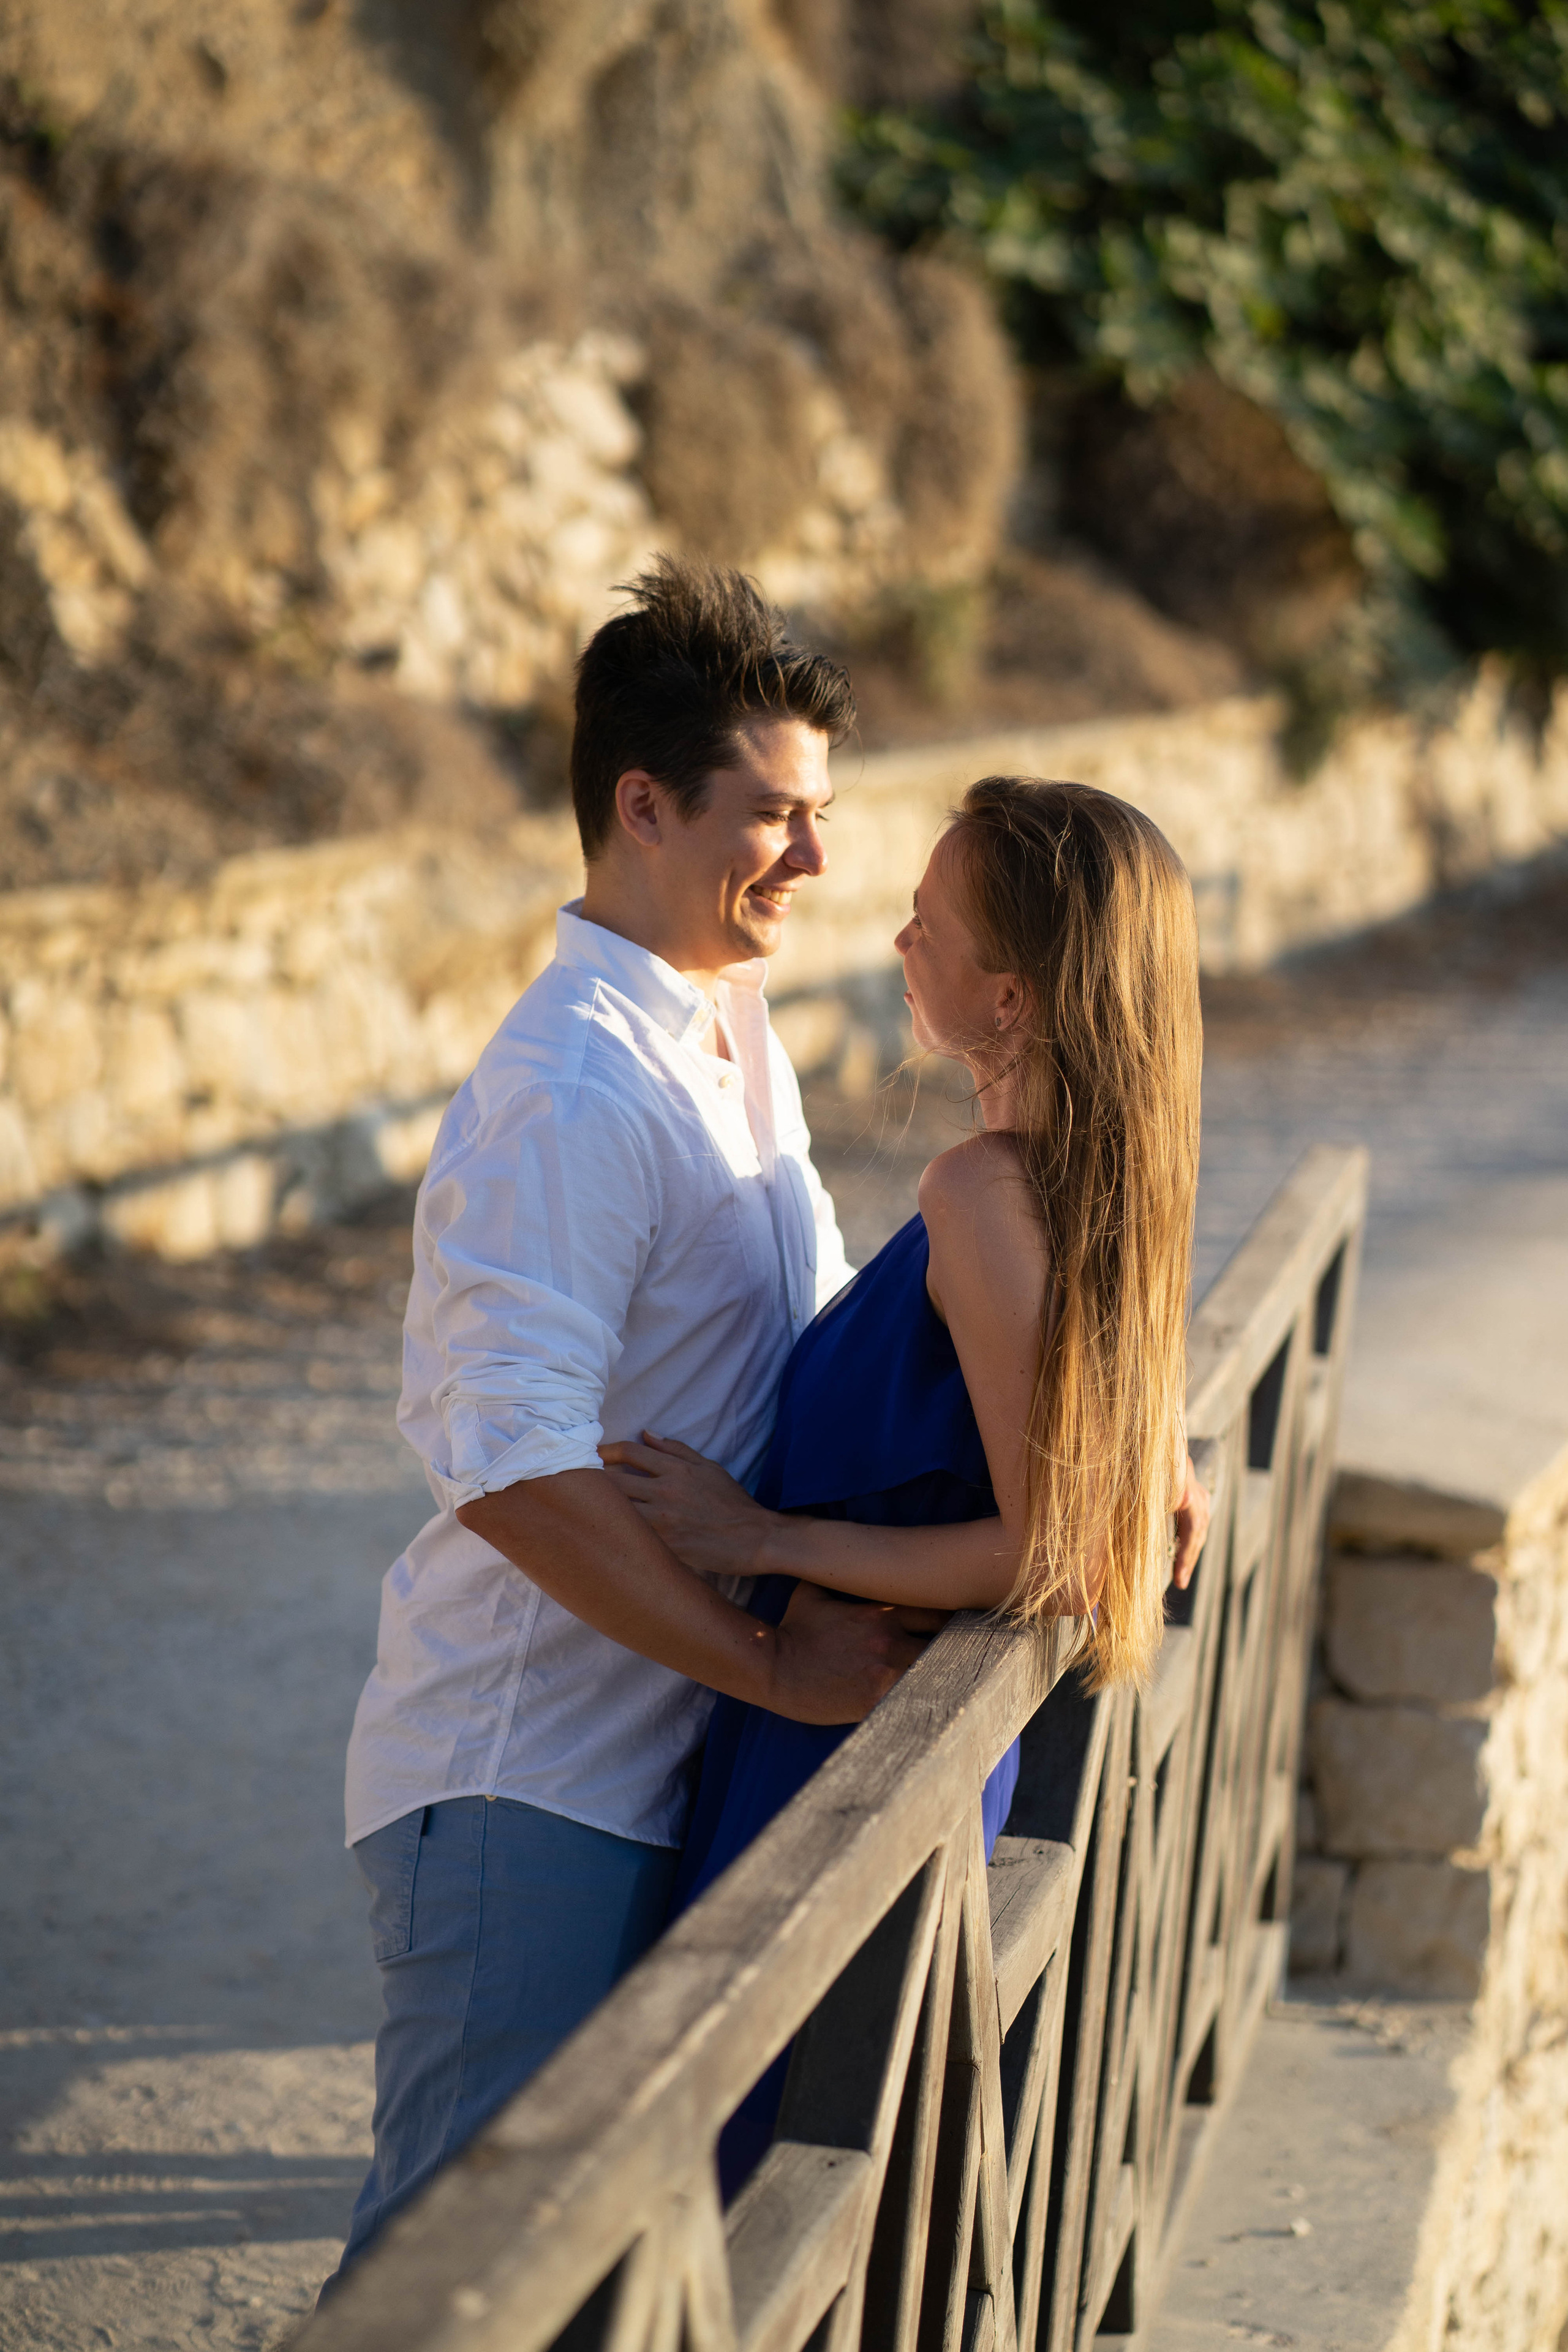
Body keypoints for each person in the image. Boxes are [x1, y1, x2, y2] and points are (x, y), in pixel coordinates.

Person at [329, 558, 934, 2281]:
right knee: (442, 2276)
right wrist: (770, 1670)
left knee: (598, 2267)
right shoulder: (572, 1085)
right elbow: (505, 1464)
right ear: (643, 806)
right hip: (526, 1785)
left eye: (822, 815)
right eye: (776, 817)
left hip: (657, 1766)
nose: (817, 862)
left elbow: (814, 1343)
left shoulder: (729, 1021)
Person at [602, 775, 1205, 2193]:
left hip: (843, 1755)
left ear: (1007, 998)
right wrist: (1149, 1424)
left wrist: (760, 1532)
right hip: (872, 1735)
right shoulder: (1086, 1185)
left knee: (750, 2178)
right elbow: (1076, 1427)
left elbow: (1056, 1549)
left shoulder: (981, 1192)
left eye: (926, 923)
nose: (896, 943)